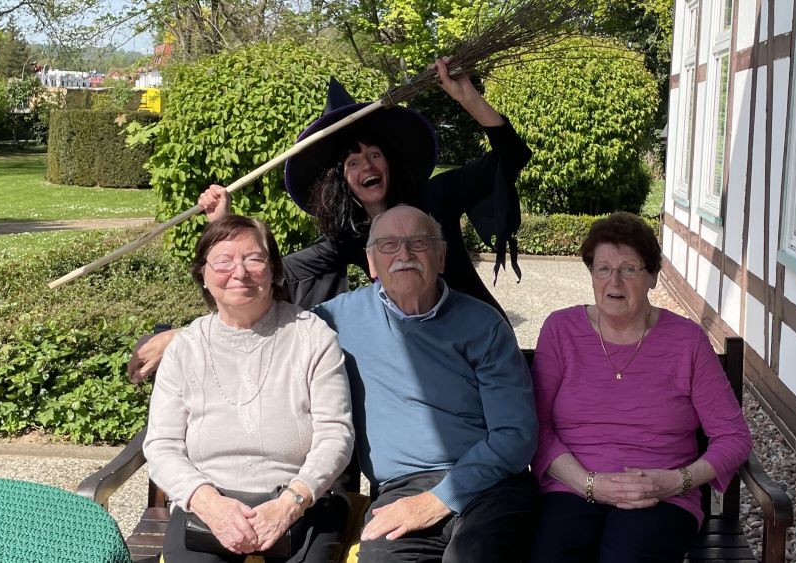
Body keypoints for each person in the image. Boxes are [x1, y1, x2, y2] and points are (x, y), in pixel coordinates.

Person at [131, 58, 531, 382]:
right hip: (425, 362)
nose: (366, 166)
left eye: (374, 155)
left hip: (481, 344)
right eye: (352, 162)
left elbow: (511, 157)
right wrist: (225, 221)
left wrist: (468, 98)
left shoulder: (435, 198)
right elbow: (267, 276)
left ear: (388, 163)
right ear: (342, 180)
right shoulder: (348, 239)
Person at [312, 205, 538, 563]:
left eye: (419, 242)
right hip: (401, 490)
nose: (404, 254)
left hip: (490, 484)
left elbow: (515, 435)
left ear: (441, 256)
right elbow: (263, 315)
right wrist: (222, 231)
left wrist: (439, 499)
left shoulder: (483, 325)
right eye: (388, 245)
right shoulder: (336, 319)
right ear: (371, 264)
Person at [528, 212, 753, 563]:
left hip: (660, 497)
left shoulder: (687, 341)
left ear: (651, 277)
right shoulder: (561, 330)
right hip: (572, 488)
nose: (614, 281)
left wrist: (677, 481)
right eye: (603, 268)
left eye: (629, 269)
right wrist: (590, 483)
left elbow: (734, 436)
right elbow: (536, 427)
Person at [143, 215, 355, 563]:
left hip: (303, 502)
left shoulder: (312, 336)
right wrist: (209, 503)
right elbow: (162, 446)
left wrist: (290, 504)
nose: (239, 272)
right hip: (208, 504)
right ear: (204, 277)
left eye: (253, 259)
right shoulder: (186, 347)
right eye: (223, 261)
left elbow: (336, 435)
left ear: (273, 269)